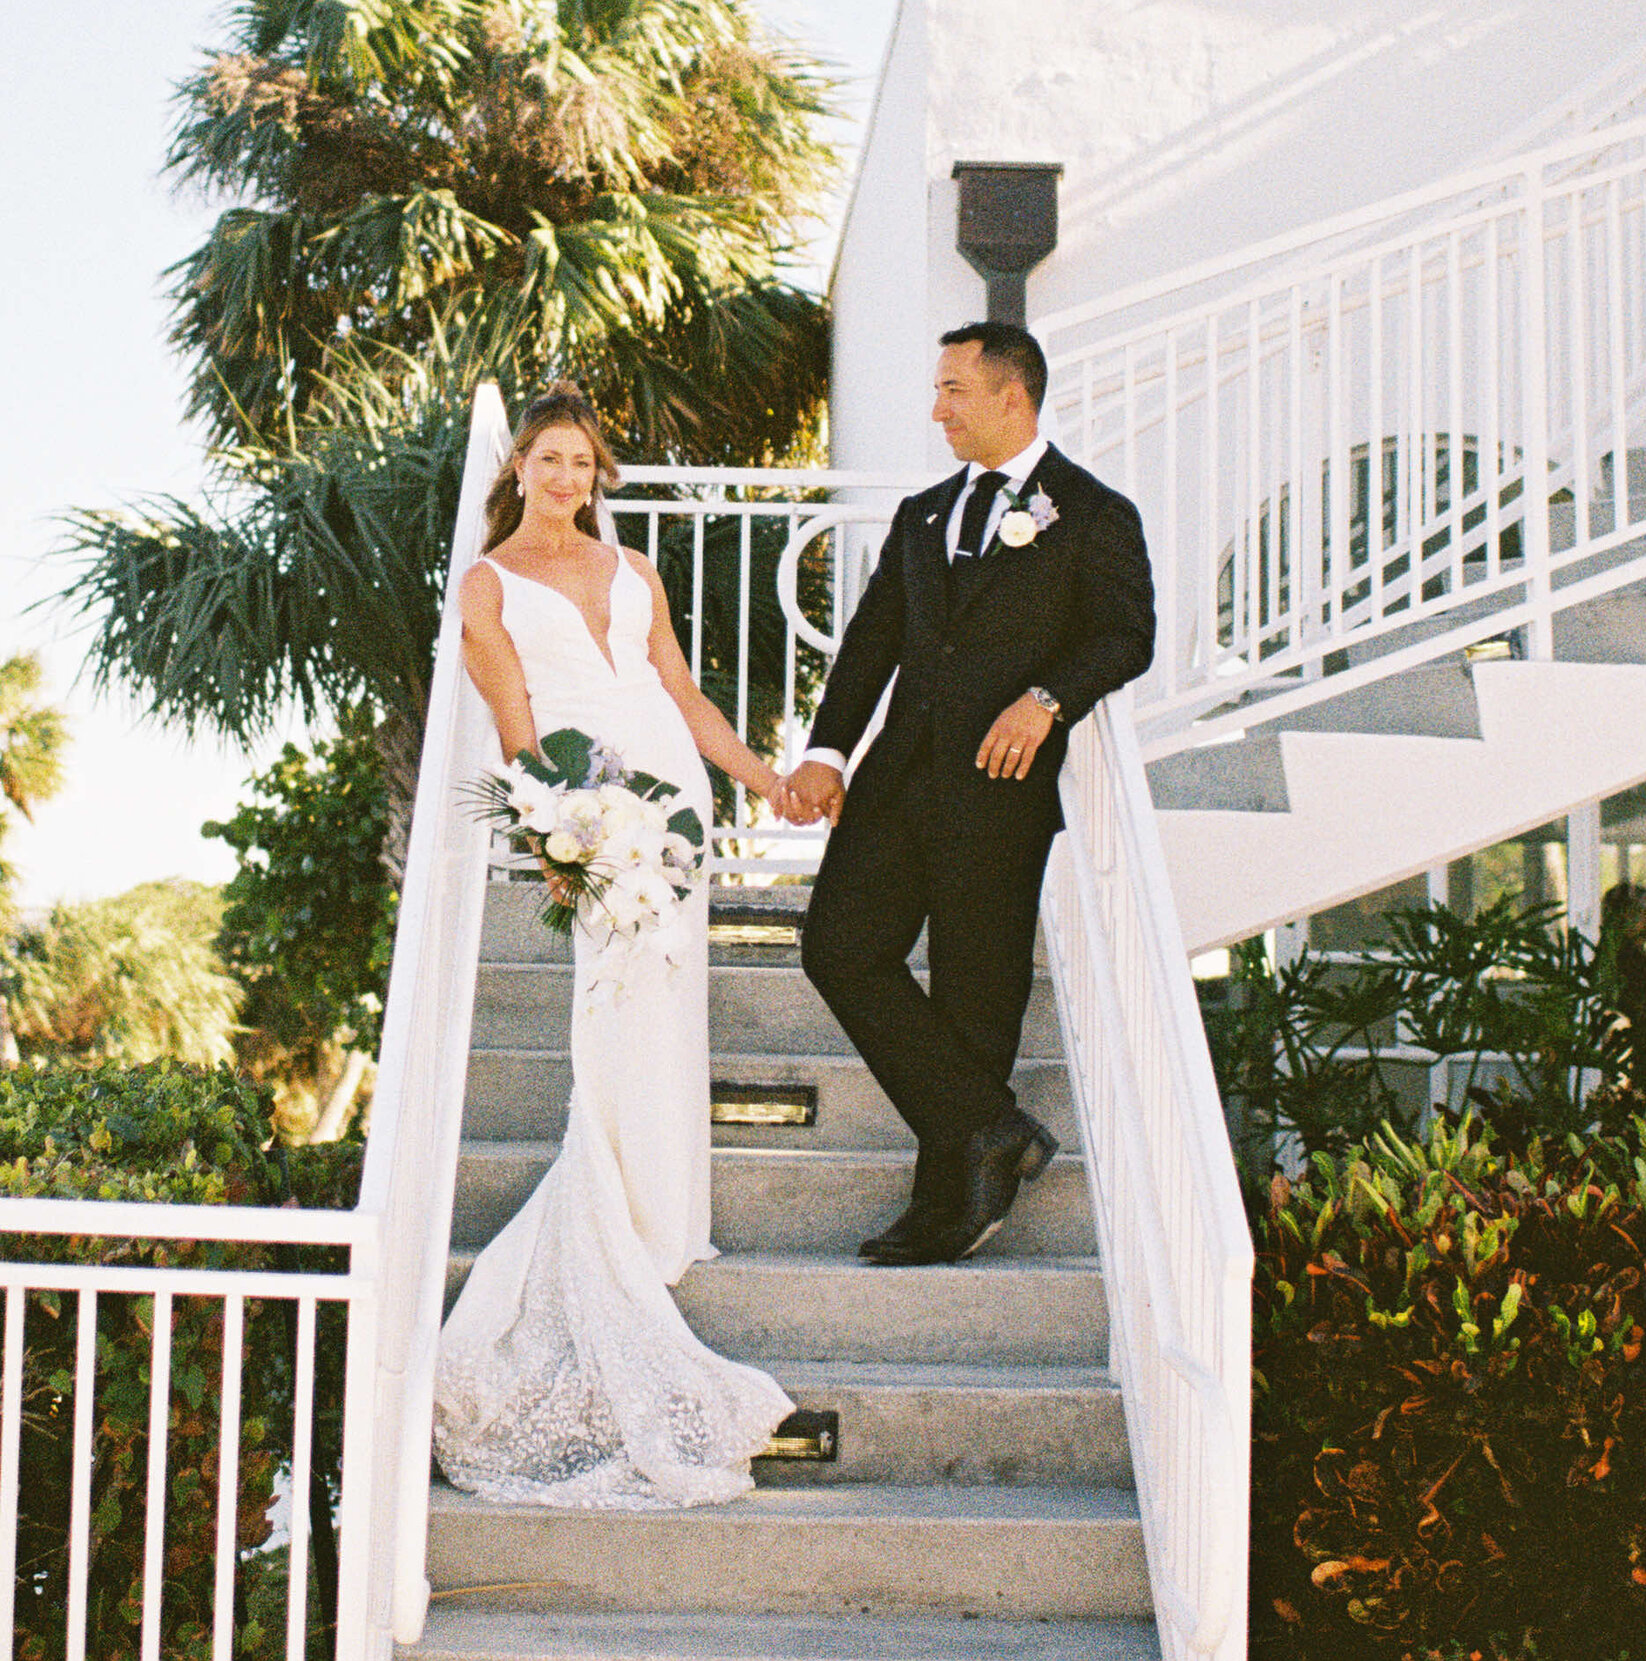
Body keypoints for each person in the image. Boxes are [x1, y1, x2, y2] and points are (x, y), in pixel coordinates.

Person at [429, 384, 798, 1508]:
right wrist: (549, 825)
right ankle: (613, 1206)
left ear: (598, 474)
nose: (566, 478)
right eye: (549, 459)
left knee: (669, 992)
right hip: (590, 803)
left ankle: (663, 1206)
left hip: (672, 795)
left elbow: (680, 691)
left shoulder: (634, 570)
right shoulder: (485, 584)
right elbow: (515, 724)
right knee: (612, 994)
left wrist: (762, 779)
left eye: (582, 462)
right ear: (519, 469)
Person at [777, 322, 1157, 1265]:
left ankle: (950, 1201)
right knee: (838, 945)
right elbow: (872, 643)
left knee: (976, 1001)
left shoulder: (1095, 513)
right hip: (899, 778)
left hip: (1000, 790)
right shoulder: (923, 514)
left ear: (1011, 398)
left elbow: (1127, 635)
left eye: (953, 390)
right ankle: (992, 1127)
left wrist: (1047, 700)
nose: (936, 408)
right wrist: (826, 751)